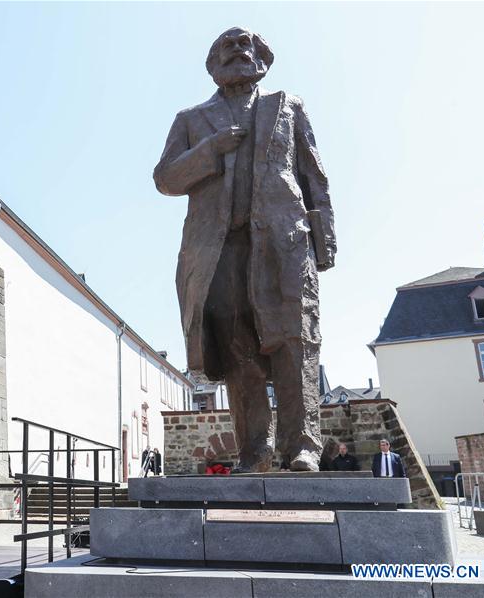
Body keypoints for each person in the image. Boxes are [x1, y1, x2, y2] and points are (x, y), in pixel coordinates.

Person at [154, 27, 336, 472]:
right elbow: (165, 179)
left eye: (246, 45)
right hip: (218, 248)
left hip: (283, 240)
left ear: (262, 59)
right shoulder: (192, 119)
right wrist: (210, 149)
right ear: (213, 64)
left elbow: (314, 175)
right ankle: (255, 449)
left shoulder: (287, 107)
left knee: (296, 339)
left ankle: (302, 447)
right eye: (227, 46)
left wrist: (324, 238)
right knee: (238, 347)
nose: (238, 51)